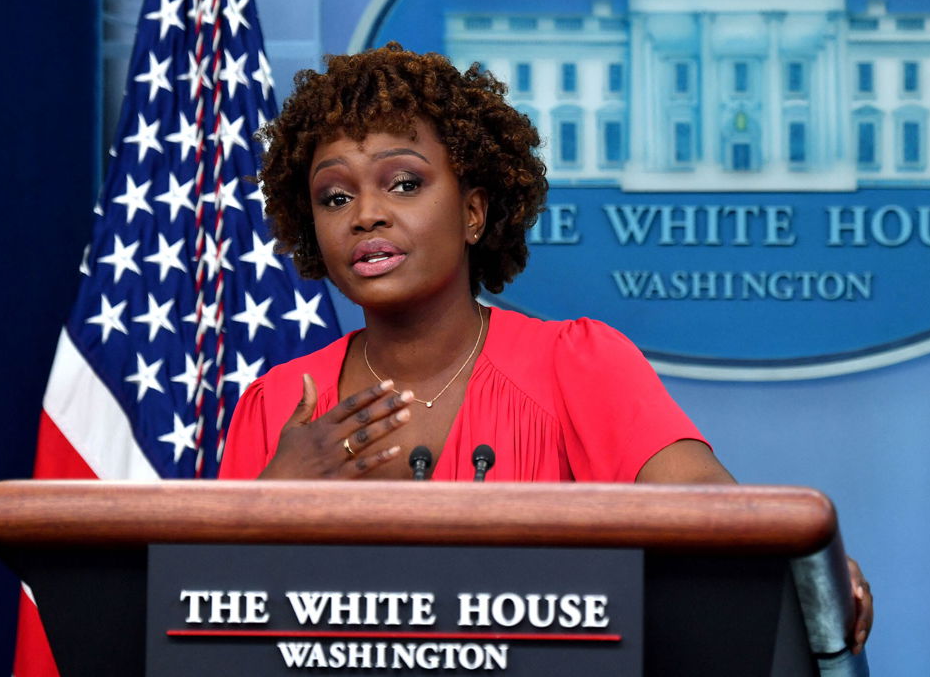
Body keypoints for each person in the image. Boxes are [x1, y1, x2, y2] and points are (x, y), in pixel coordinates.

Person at [218, 42, 872, 651]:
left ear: (474, 212)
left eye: (405, 183)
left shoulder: (575, 365)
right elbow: (206, 618)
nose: (366, 214)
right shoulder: (278, 405)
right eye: (335, 196)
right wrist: (271, 502)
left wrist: (800, 566)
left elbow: (712, 513)